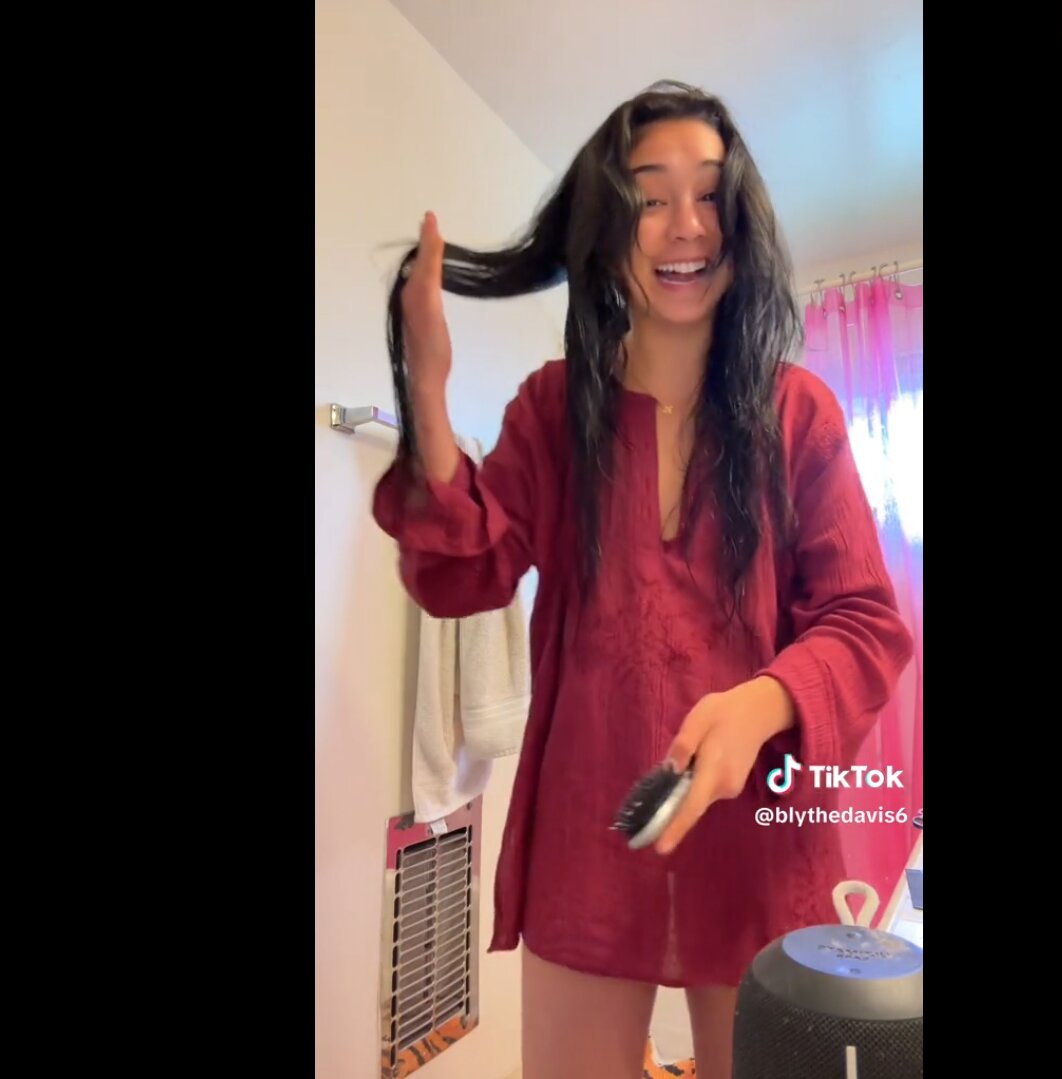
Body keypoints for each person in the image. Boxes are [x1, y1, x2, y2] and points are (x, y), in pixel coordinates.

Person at [372, 80, 913, 1079]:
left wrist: (761, 701)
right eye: (649, 195)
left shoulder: (798, 413)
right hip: (589, 832)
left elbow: (864, 622)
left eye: (708, 194)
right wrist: (429, 394)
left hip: (759, 840)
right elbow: (462, 572)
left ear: (739, 220)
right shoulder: (551, 411)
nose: (683, 225)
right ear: (609, 225)